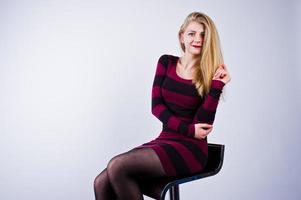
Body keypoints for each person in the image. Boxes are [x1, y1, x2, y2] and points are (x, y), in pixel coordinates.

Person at [93, 11, 231, 200]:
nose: (197, 39)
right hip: (166, 139)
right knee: (101, 181)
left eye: (203, 34)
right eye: (192, 33)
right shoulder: (166, 62)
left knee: (117, 166)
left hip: (191, 149)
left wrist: (217, 87)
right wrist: (188, 129)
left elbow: (203, 125)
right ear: (181, 36)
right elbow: (157, 107)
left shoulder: (209, 75)